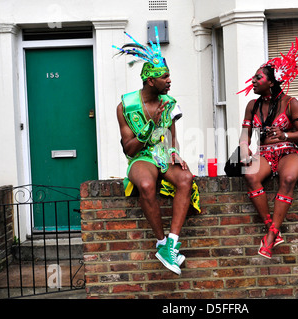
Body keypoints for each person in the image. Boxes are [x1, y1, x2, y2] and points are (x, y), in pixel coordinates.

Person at [114, 27, 198, 275]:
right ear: (151, 81)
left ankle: (171, 242)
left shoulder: (170, 103)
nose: (169, 81)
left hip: (162, 153)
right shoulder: (126, 106)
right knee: (147, 186)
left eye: (169, 76)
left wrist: (175, 152)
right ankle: (161, 243)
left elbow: (172, 137)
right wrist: (150, 125)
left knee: (185, 178)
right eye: (165, 77)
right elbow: (129, 148)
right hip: (141, 156)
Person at [237, 38, 298, 259]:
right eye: (254, 76)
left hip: (289, 151)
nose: (253, 80)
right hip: (265, 154)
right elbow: (246, 133)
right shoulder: (253, 105)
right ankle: (272, 226)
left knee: (288, 179)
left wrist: (285, 134)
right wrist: (243, 147)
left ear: (272, 82)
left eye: (258, 77)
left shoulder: (291, 103)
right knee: (250, 175)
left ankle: (270, 236)